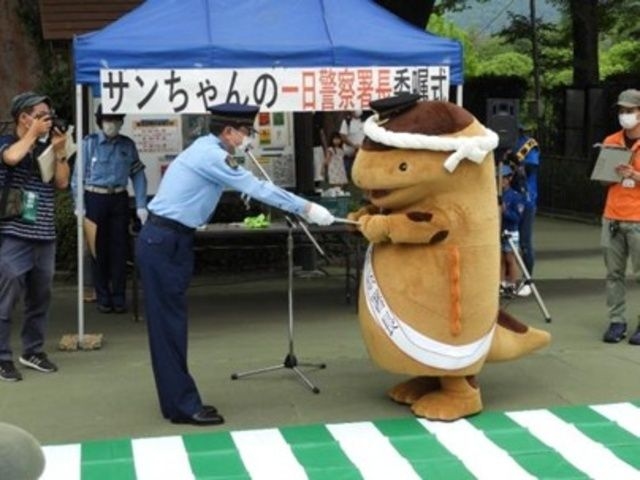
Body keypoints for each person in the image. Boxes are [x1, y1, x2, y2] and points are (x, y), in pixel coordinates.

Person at [136, 102, 335, 426]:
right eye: (246, 132)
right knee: (168, 328)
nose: (248, 139)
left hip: (171, 240)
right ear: (228, 131)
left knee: (171, 326)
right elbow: (257, 188)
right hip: (164, 242)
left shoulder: (206, 148)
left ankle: (177, 402)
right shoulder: (210, 155)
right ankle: (182, 406)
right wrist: (308, 209)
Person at [0, 92, 69, 381]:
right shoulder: (6, 143)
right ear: (23, 118)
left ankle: (32, 351)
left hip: (44, 232)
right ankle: (2, 357)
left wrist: (60, 150)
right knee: (7, 294)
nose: (47, 118)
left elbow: (62, 182)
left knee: (40, 296)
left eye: (48, 113)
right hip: (14, 231)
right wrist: (32, 135)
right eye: (40, 114)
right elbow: (12, 157)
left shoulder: (46, 145)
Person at [71, 105, 148, 314]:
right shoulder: (89, 144)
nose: (111, 124)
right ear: (100, 122)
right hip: (94, 197)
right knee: (98, 249)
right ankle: (103, 296)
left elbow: (138, 174)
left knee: (119, 248)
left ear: (121, 122)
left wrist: (141, 204)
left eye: (115, 119)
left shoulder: (127, 145)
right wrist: (79, 205)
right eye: (107, 120)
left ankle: (119, 296)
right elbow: (78, 177)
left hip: (119, 199)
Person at [600, 89, 640, 345]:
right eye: (621, 111)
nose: (624, 115)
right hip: (613, 216)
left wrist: (635, 175)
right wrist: (611, 172)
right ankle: (617, 321)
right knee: (614, 273)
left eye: (630, 111)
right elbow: (603, 181)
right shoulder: (611, 140)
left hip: (638, 218)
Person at [512, 125, 540, 297]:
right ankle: (506, 281)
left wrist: (514, 161)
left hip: (526, 199)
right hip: (505, 197)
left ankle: (528, 281)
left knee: (524, 242)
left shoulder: (529, 144)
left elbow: (530, 168)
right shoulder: (499, 143)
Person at [499, 164, 525, 297]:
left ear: (509, 179)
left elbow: (517, 218)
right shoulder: (497, 195)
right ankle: (501, 283)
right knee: (501, 259)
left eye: (503, 178)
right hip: (500, 232)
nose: (500, 181)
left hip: (511, 232)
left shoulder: (515, 196)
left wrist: (505, 212)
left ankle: (512, 285)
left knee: (510, 259)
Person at [339, 109, 364, 181]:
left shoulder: (364, 121)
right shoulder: (347, 122)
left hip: (361, 152)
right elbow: (343, 136)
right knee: (346, 173)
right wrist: (353, 145)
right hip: (349, 153)